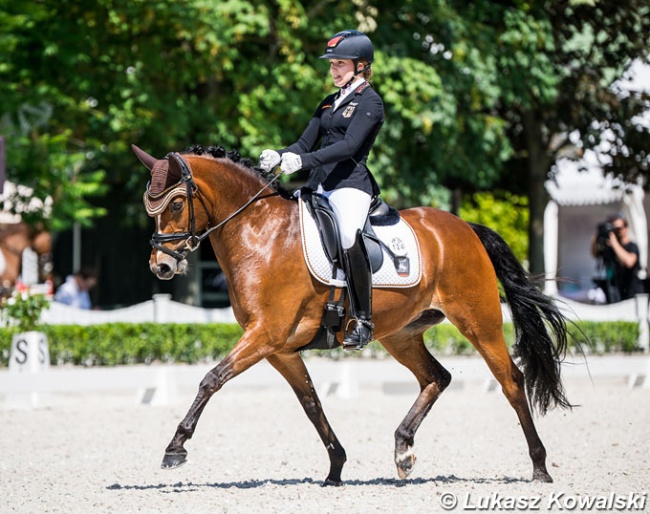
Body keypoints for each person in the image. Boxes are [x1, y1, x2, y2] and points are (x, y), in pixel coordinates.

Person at [259, 30, 385, 350]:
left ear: (360, 66)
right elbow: (303, 143)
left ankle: (364, 319)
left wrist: (301, 161)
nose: (333, 70)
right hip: (319, 185)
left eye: (340, 64)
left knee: (347, 236)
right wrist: (280, 155)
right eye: (331, 65)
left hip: (350, 186)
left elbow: (348, 146)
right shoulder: (329, 102)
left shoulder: (370, 102)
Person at [591, 214, 643, 303]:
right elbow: (595, 254)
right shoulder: (610, 248)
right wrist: (597, 238)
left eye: (618, 229)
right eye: (613, 229)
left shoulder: (632, 246)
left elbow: (629, 262)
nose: (616, 232)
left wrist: (614, 243)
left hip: (632, 292)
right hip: (615, 291)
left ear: (626, 229)